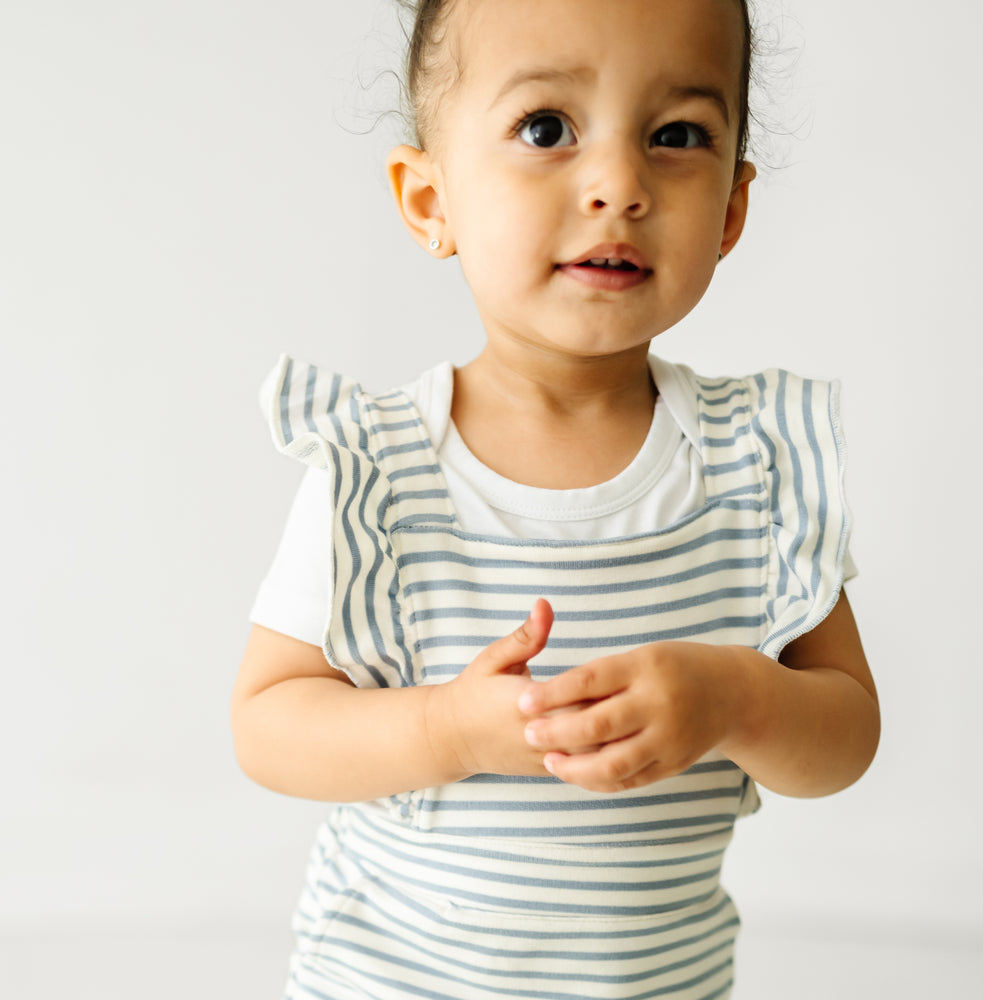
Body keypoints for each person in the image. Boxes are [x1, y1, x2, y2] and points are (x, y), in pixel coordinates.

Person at [231, 0, 881, 997]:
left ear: (733, 210)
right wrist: (448, 728)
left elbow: (844, 734)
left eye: (675, 136)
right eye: (546, 129)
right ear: (427, 199)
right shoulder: (378, 468)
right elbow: (268, 723)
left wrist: (738, 697)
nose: (618, 185)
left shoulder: (755, 468)